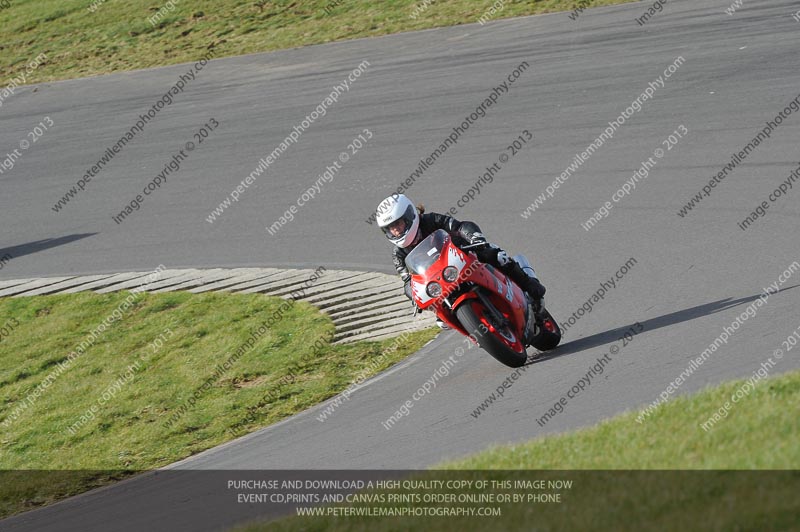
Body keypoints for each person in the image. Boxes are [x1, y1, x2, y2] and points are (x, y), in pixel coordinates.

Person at [375, 194, 546, 323]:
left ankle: (528, 283)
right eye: (390, 228)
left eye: (398, 224)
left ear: (409, 216)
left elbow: (458, 226)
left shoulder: (430, 220)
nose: (396, 230)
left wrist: (475, 238)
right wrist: (413, 295)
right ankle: (479, 331)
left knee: (497, 256)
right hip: (440, 281)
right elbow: (407, 281)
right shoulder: (398, 254)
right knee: (441, 320)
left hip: (464, 257)